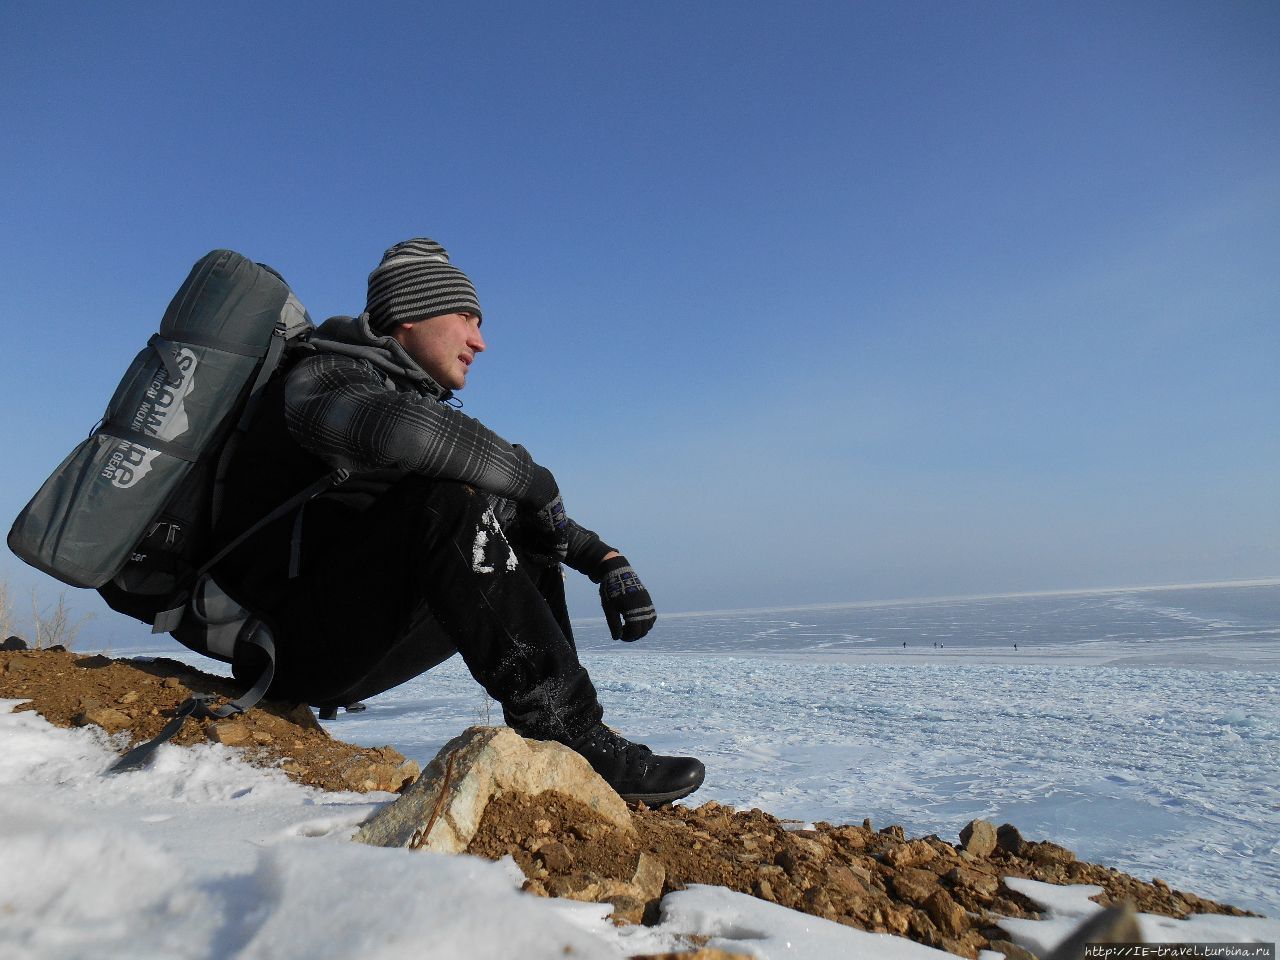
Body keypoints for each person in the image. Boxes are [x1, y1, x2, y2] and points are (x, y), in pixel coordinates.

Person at [211, 238, 705, 805]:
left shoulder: (393, 392)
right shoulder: (321, 378)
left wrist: (604, 559)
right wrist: (538, 482)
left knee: (497, 511)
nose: (481, 340)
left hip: (346, 638)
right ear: (408, 316)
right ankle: (568, 729)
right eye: (466, 318)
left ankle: (569, 739)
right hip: (287, 648)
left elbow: (506, 501)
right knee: (453, 496)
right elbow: (410, 435)